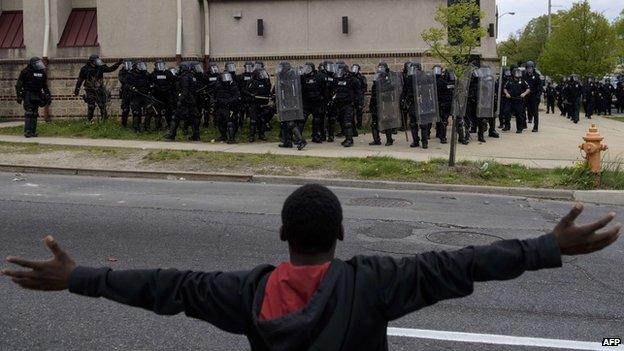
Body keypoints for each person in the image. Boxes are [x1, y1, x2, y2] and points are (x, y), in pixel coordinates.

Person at [1, 184, 620, 351]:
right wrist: (547, 246)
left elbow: (164, 287)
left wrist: (78, 276)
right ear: (343, 234)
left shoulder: (244, 293)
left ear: (281, 235)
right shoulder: (373, 283)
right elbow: (464, 264)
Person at [74, 54, 123, 121]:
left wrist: (118, 63)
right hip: (90, 89)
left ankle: (104, 121)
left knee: (102, 106)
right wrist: (77, 89)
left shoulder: (100, 67)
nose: (98, 61)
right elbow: (80, 80)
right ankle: (89, 121)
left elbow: (110, 69)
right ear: (92, 62)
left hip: (99, 89)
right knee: (91, 106)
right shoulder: (85, 69)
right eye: (96, 60)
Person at [15, 57, 51, 138]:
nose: (39, 65)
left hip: (38, 94)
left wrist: (48, 95)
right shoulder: (25, 72)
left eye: (39, 63)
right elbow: (19, 84)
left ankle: (33, 132)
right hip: (28, 93)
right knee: (29, 112)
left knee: (35, 113)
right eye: (37, 64)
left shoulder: (42, 73)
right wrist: (19, 96)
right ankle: (27, 131)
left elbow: (44, 86)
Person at [163, 62, 200, 141]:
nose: (179, 70)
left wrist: (180, 100)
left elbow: (184, 91)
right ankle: (196, 135)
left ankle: (172, 135)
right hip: (192, 101)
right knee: (194, 118)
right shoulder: (192, 76)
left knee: (175, 118)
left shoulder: (184, 77)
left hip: (185, 101)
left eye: (180, 68)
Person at [330, 64, 358, 148]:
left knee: (347, 122)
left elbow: (358, 93)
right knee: (342, 122)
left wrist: (358, 104)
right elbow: (335, 91)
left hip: (348, 104)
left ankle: (350, 140)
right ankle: (346, 138)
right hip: (339, 104)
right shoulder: (337, 80)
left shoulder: (352, 80)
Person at [242, 69, 274, 142]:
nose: (262, 76)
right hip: (254, 104)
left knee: (262, 120)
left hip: (263, 104)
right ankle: (251, 136)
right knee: (253, 121)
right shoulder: (251, 82)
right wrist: (251, 95)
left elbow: (268, 91)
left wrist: (271, 95)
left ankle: (261, 135)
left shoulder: (266, 82)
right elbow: (245, 90)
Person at [369, 63, 396, 147]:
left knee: (386, 122)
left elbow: (391, 91)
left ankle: (389, 140)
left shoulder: (389, 80)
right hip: (375, 104)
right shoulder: (376, 80)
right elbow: (373, 94)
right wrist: (371, 104)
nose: (380, 70)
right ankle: (376, 140)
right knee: (374, 123)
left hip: (385, 104)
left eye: (382, 68)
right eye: (379, 68)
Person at [300, 63, 326, 143]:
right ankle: (298, 136)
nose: (307, 70)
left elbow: (324, 88)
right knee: (302, 119)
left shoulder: (319, 76)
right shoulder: (302, 77)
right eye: (306, 68)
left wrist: (322, 98)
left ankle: (315, 136)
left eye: (308, 68)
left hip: (316, 102)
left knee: (317, 120)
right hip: (306, 101)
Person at [149, 60, 176, 131]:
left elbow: (173, 81)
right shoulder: (153, 74)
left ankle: (170, 126)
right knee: (157, 112)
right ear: (156, 66)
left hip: (167, 95)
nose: (160, 66)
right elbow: (150, 84)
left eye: (162, 65)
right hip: (157, 95)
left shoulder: (168, 73)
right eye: (159, 65)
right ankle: (158, 127)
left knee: (169, 111)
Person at [126, 61, 151, 133]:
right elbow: (126, 85)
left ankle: (147, 127)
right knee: (136, 112)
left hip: (145, 95)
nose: (142, 67)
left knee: (149, 111)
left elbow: (150, 82)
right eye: (140, 65)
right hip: (136, 96)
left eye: (142, 65)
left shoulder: (146, 74)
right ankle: (136, 129)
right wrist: (132, 88)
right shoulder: (130, 74)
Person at [503, 68, 530, 133]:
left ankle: (519, 128)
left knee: (519, 114)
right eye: (516, 73)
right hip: (510, 99)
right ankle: (507, 126)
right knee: (506, 112)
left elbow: (528, 89)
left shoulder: (522, 81)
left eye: (519, 73)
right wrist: (507, 93)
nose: (518, 75)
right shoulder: (509, 81)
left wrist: (524, 93)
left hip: (518, 100)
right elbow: (505, 88)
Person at [523, 61, 542, 132]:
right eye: (528, 68)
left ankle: (535, 127)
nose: (529, 69)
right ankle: (523, 124)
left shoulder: (536, 76)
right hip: (526, 96)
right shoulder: (524, 75)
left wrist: (538, 96)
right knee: (522, 110)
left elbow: (540, 87)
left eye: (530, 68)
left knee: (535, 112)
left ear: (533, 68)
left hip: (534, 96)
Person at [118, 59, 134, 127]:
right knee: (125, 109)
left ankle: (136, 125)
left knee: (135, 109)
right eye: (127, 64)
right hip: (125, 92)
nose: (128, 65)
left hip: (134, 92)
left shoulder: (135, 71)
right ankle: (123, 125)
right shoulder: (122, 71)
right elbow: (122, 80)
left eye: (130, 63)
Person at [351, 64, 367, 130]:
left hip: (359, 97)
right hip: (352, 97)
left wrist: (360, 93)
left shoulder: (362, 77)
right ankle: (352, 126)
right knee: (351, 112)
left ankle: (359, 126)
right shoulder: (350, 77)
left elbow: (364, 88)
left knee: (359, 112)